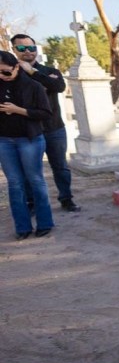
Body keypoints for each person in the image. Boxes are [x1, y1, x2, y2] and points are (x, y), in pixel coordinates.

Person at [11, 34, 80, 212]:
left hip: (54, 128)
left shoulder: (50, 71)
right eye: (21, 48)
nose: (27, 51)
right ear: (14, 50)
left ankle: (66, 199)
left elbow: (58, 87)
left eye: (31, 48)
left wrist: (33, 72)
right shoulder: (11, 75)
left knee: (61, 167)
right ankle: (32, 203)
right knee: (30, 171)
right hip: (28, 130)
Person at [0, 50, 54, 240]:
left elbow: (46, 114)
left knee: (35, 181)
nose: (2, 77)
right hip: (4, 140)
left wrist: (18, 110)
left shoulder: (33, 86)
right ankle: (22, 227)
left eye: (6, 72)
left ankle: (45, 223)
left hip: (29, 139)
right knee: (14, 184)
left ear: (16, 67)